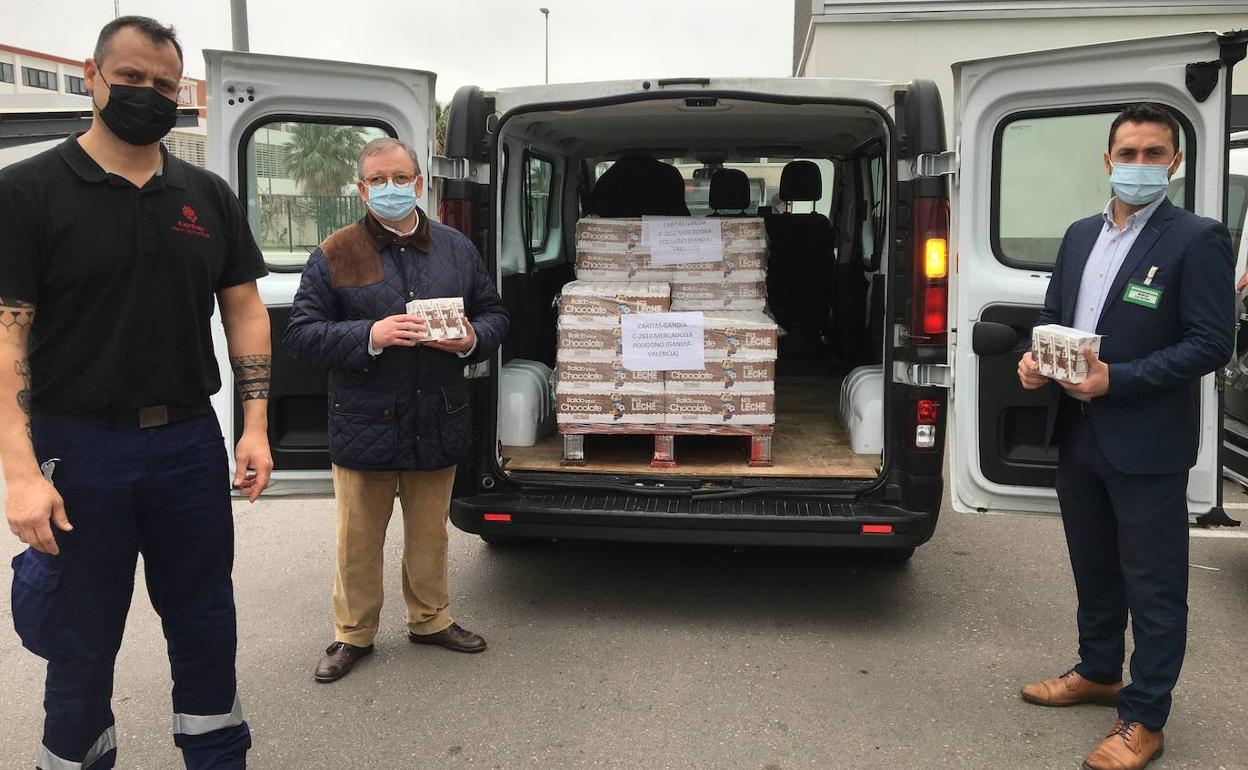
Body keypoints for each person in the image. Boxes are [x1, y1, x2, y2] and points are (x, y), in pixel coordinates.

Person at [0, 16, 273, 770]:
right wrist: (20, 472)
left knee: (206, 624)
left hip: (188, 440)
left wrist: (254, 427)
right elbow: (6, 335)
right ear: (92, 76)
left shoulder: (206, 195)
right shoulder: (26, 193)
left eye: (163, 84)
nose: (148, 95)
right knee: (79, 637)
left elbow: (245, 308)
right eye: (130, 79)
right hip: (79, 449)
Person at [1016, 103, 1234, 770]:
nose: (1140, 165)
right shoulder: (1081, 234)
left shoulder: (1197, 238)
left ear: (1175, 161)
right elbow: (1056, 316)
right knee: (1094, 567)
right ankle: (1098, 668)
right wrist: (1034, 362)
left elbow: (1210, 343)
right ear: (1107, 161)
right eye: (1129, 153)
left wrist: (1121, 381)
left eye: (1153, 153)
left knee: (1156, 584)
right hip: (1078, 433)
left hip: (1146, 440)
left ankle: (1144, 717)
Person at [283, 137, 508, 683]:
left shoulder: (456, 249)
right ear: (362, 189)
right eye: (378, 180)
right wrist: (371, 335)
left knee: (430, 533)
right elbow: (302, 335)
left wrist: (472, 339)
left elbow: (495, 313)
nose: (390, 189)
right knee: (359, 538)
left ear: (419, 183)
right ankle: (353, 634)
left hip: (438, 414)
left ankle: (431, 619)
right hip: (366, 421)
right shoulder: (336, 251)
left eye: (399, 178)